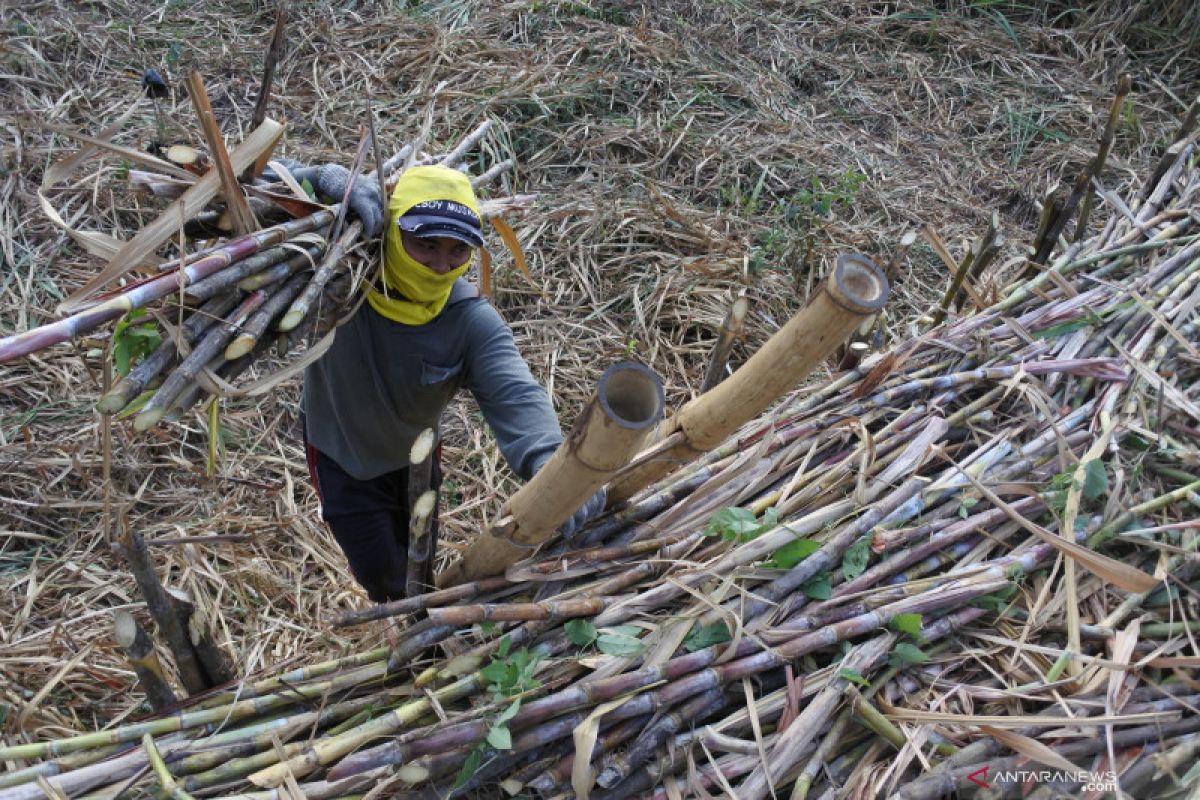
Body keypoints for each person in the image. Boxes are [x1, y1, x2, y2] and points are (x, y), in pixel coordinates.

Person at [297, 163, 604, 603]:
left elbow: (514, 392)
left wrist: (551, 464)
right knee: (383, 574)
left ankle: (420, 618)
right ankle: (399, 616)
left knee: (419, 554)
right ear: (391, 230)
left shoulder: (468, 320)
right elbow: (253, 190)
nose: (441, 265)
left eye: (458, 250)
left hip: (417, 457)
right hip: (340, 452)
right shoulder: (338, 277)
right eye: (425, 245)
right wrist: (322, 176)